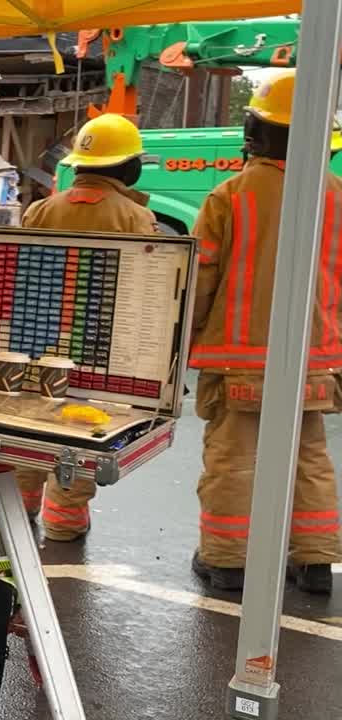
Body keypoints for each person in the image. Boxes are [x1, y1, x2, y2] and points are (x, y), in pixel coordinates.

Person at [189, 70, 342, 595]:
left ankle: (229, 561)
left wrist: (180, 345)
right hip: (314, 360)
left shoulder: (231, 195)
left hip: (240, 365)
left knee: (234, 460)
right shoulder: (336, 194)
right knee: (308, 457)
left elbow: (199, 279)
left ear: (258, 129)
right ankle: (316, 562)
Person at [14, 113, 158, 542]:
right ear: (126, 167)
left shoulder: (40, 209)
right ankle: (64, 522)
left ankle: (19, 510)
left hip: (37, 338)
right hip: (99, 345)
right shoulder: (135, 218)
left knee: (31, 420)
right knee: (79, 426)